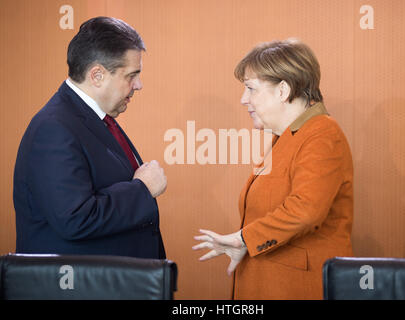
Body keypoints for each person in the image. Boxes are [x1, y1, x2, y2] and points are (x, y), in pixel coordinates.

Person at [193, 39, 353, 299]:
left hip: (297, 288)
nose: (244, 99)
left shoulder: (322, 134)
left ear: (283, 90)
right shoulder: (285, 136)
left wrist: (244, 239)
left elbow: (306, 210)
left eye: (251, 89)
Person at [13, 17, 167, 259]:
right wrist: (142, 189)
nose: (139, 85)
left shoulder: (94, 118)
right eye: (131, 75)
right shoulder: (54, 128)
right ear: (97, 75)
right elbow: (76, 218)